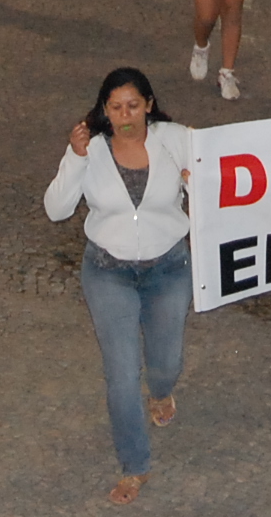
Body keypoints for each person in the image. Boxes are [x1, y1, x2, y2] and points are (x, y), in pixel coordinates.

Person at [44, 67, 195, 505]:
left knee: (166, 361)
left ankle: (162, 391)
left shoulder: (177, 140)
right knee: (122, 374)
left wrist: (198, 182)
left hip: (169, 267)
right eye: (115, 108)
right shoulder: (90, 149)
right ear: (104, 111)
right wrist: (75, 158)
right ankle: (135, 465)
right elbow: (56, 209)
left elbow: (222, 179)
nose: (125, 115)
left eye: (133, 106)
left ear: (149, 105)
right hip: (108, 272)